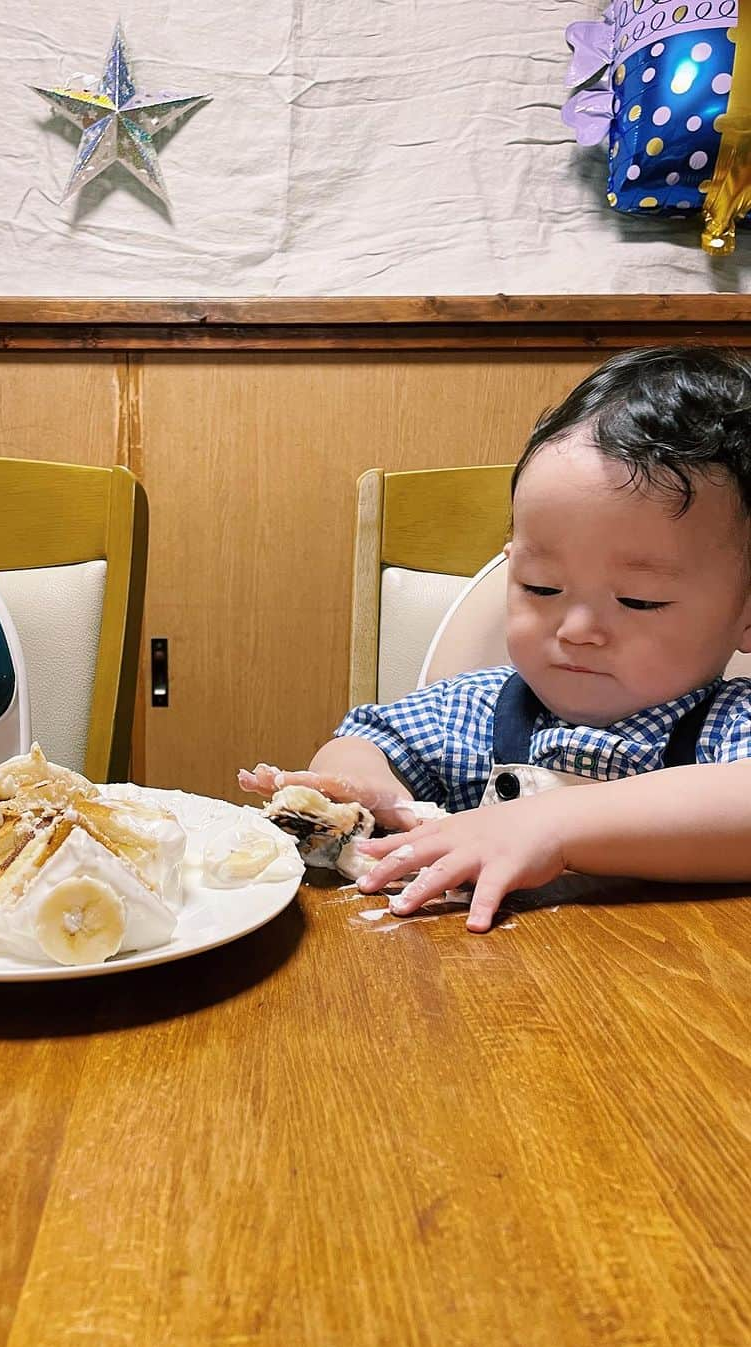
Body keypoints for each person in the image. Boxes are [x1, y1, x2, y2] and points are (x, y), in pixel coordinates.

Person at [241, 346, 751, 933]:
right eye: (540, 587)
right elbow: (366, 740)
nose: (577, 629)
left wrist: (550, 826)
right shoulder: (477, 710)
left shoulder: (729, 725)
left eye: (638, 600)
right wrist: (363, 787)